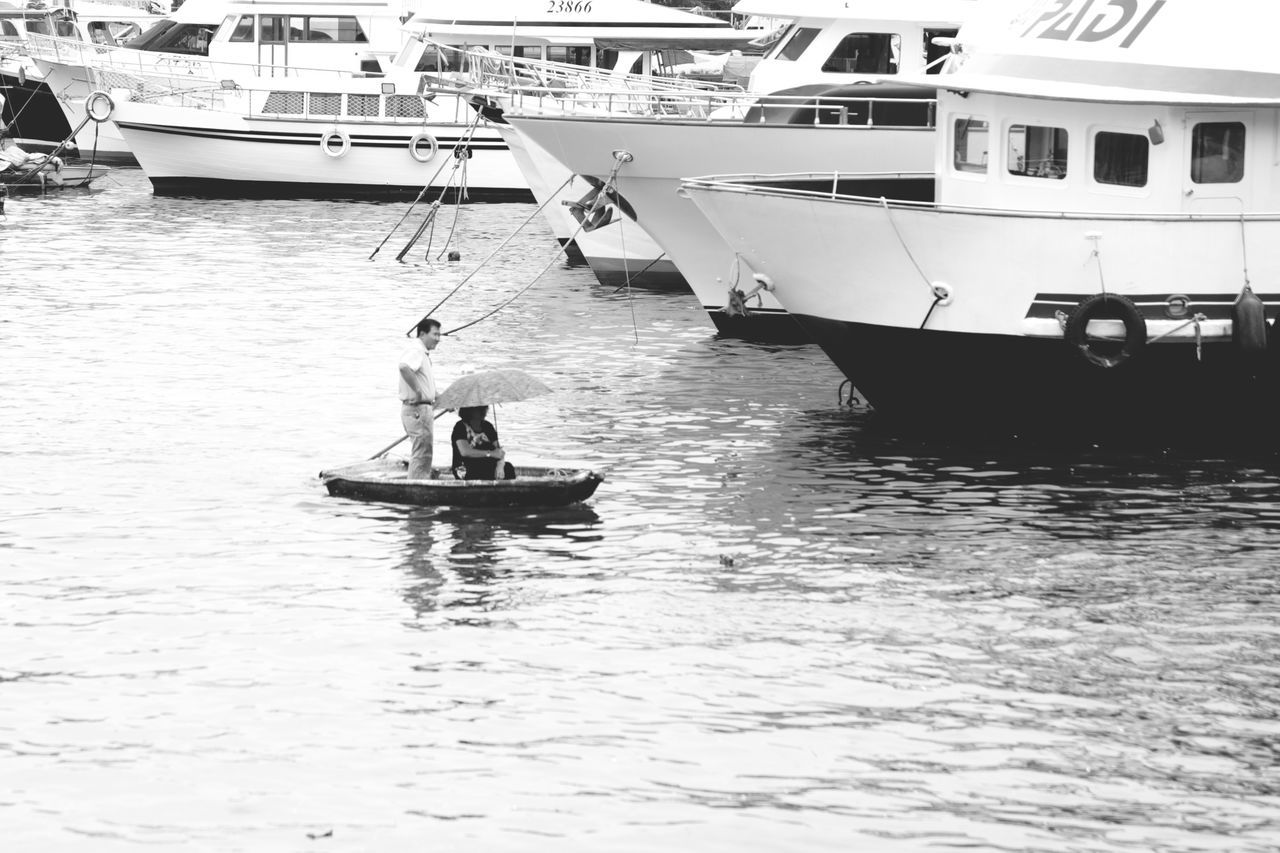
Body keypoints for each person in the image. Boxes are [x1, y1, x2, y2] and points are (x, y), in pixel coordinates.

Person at [398, 316, 441, 480]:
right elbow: (404, 367)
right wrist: (417, 392)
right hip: (416, 409)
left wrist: (440, 398)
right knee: (421, 452)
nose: (438, 339)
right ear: (423, 334)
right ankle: (416, 487)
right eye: (435, 334)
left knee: (424, 452)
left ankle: (419, 482)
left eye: (439, 335)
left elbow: (427, 386)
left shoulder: (423, 354)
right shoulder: (416, 349)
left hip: (422, 408)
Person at [451, 406, 515, 480]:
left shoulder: (488, 426)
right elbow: (465, 452)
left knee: (508, 468)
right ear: (469, 410)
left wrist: (500, 465)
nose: (483, 411)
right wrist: (490, 453)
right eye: (479, 409)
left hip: (486, 463)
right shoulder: (460, 427)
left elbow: (499, 452)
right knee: (482, 470)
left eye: (484, 408)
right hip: (465, 467)